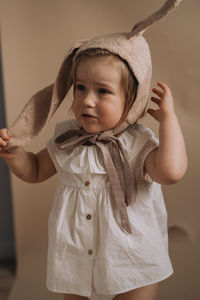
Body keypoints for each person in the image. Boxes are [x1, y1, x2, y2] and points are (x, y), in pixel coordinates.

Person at [0, 1, 187, 300]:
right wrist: (15, 157)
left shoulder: (137, 142)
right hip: (75, 255)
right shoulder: (67, 138)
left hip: (132, 254)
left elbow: (171, 172)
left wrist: (169, 120)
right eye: (80, 87)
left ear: (132, 98)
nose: (87, 100)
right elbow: (35, 170)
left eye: (102, 91)